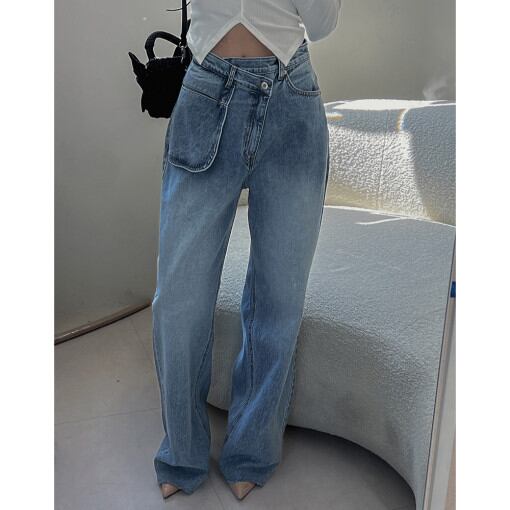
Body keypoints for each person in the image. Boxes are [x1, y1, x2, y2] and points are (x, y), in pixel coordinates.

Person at [151, 0, 342, 501]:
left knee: (280, 297)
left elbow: (322, 25)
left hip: (292, 98)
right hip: (206, 90)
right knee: (180, 301)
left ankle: (252, 450)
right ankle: (182, 451)